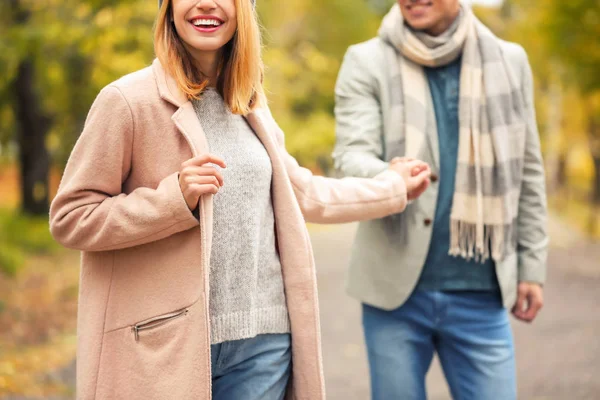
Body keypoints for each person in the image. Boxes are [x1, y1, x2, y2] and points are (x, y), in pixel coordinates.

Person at [49, 0, 432, 399]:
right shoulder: (127, 101)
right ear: (168, 8)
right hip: (165, 346)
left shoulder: (250, 103)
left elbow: (302, 191)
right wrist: (172, 199)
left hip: (263, 344)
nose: (206, 4)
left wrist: (393, 187)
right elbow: (72, 216)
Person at [333, 0, 548, 399]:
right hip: (393, 293)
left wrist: (531, 265)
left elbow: (528, 170)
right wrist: (390, 177)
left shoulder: (509, 60)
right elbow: (350, 155)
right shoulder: (366, 60)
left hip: (481, 291)